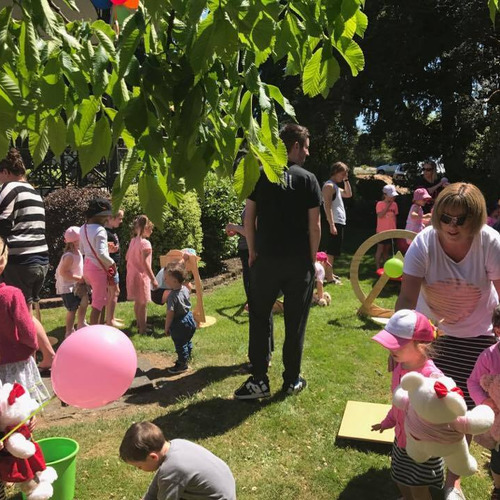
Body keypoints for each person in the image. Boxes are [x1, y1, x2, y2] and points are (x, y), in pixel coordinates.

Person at [395, 182, 500, 500]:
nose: (452, 226)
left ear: (477, 219)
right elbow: (406, 297)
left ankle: (453, 481)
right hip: (433, 336)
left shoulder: (491, 242)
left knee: (465, 408)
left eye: (461, 219)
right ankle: (420, 467)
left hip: (478, 334)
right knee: (427, 404)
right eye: (446, 218)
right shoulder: (425, 243)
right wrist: (402, 340)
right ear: (437, 216)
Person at [234, 123, 322, 399]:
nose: (307, 153)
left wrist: (251, 251)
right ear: (295, 146)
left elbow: (249, 217)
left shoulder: (259, 176)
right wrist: (310, 257)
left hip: (265, 261)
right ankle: (291, 380)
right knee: (295, 323)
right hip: (298, 264)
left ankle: (259, 380)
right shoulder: (308, 179)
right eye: (305, 147)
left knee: (259, 319)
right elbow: (315, 225)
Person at [371, 309, 444, 500]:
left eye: (396, 345)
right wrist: (388, 421)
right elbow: (398, 405)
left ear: (421, 345)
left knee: (419, 488)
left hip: (422, 445)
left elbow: (443, 410)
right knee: (400, 478)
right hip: (401, 439)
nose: (390, 350)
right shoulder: (400, 366)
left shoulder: (432, 376)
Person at [0, 147, 55, 371]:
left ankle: (44, 356)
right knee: (27, 310)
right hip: (39, 260)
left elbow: (3, 223)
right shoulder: (33, 192)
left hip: (19, 261)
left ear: (4, 171)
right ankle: (39, 357)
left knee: (23, 313)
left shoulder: (8, 189)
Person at [119, 421, 236, 500]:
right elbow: (154, 490)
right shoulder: (176, 443)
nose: (140, 470)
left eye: (139, 466)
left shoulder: (172, 470)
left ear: (153, 457)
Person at [0, 236, 49, 405]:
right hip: (16, 364)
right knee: (21, 409)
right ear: (3, 261)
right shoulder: (11, 295)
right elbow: (27, 329)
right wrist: (32, 346)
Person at [467, 305, 500, 500]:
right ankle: (498, 486)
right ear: (498, 330)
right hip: (498, 420)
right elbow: (472, 382)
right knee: (498, 459)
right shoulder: (489, 356)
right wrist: (484, 400)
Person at [80, 198, 116, 325]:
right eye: (105, 216)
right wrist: (112, 263)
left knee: (101, 299)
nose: (107, 219)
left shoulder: (83, 228)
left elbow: (83, 249)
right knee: (98, 303)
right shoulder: (100, 230)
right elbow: (101, 254)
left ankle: (101, 325)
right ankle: (95, 331)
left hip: (87, 266)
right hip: (98, 269)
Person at [320, 161, 352, 284]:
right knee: (330, 251)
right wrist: (332, 224)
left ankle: (329, 273)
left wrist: (346, 180)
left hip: (339, 221)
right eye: (343, 174)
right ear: (335, 172)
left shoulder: (335, 186)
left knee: (333, 250)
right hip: (332, 222)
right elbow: (326, 207)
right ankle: (329, 277)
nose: (344, 176)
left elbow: (348, 194)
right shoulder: (329, 186)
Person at [126, 215, 158, 335]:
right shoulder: (146, 244)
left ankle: (140, 324)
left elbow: (127, 257)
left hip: (132, 275)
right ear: (145, 228)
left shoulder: (133, 241)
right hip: (141, 276)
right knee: (143, 303)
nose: (152, 231)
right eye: (150, 228)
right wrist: (153, 279)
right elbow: (145, 264)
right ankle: (143, 330)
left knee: (138, 302)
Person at [55, 226, 88, 337]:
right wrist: (79, 278)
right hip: (67, 287)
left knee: (85, 301)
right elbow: (63, 272)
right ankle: (69, 331)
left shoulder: (77, 251)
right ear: (74, 241)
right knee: (72, 309)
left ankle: (81, 323)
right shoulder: (69, 256)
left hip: (77, 284)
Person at [164, 264, 197, 374]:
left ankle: (182, 364)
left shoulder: (172, 296)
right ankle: (187, 356)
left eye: (166, 278)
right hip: (189, 318)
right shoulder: (185, 289)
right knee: (187, 339)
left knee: (180, 343)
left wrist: (167, 326)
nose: (164, 279)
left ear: (174, 280)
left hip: (179, 323)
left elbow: (170, 313)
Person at [105, 209, 124, 327]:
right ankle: (110, 320)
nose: (121, 221)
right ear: (110, 218)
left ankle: (110, 316)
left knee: (112, 292)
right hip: (110, 267)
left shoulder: (110, 232)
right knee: (115, 291)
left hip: (112, 266)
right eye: (119, 218)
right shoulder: (106, 233)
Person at [375, 184, 399, 269]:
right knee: (380, 249)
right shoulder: (380, 204)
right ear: (385, 195)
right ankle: (377, 267)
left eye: (394, 196)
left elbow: (394, 217)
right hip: (382, 231)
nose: (393, 198)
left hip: (391, 231)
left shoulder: (395, 205)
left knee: (387, 250)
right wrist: (388, 205)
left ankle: (386, 266)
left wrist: (395, 228)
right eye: (391, 196)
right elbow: (380, 215)